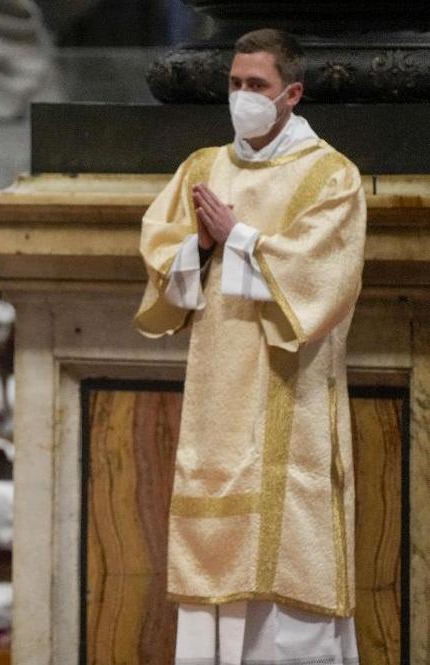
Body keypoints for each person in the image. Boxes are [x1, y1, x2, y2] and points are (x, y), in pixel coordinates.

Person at [134, 29, 364, 664]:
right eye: (235, 84)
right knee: (215, 590)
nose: (242, 96)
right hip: (218, 397)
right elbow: (162, 264)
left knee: (288, 577)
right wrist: (201, 247)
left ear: (291, 93)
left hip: (293, 392)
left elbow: (323, 282)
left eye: (256, 86)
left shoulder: (331, 176)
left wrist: (239, 238)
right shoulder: (204, 169)